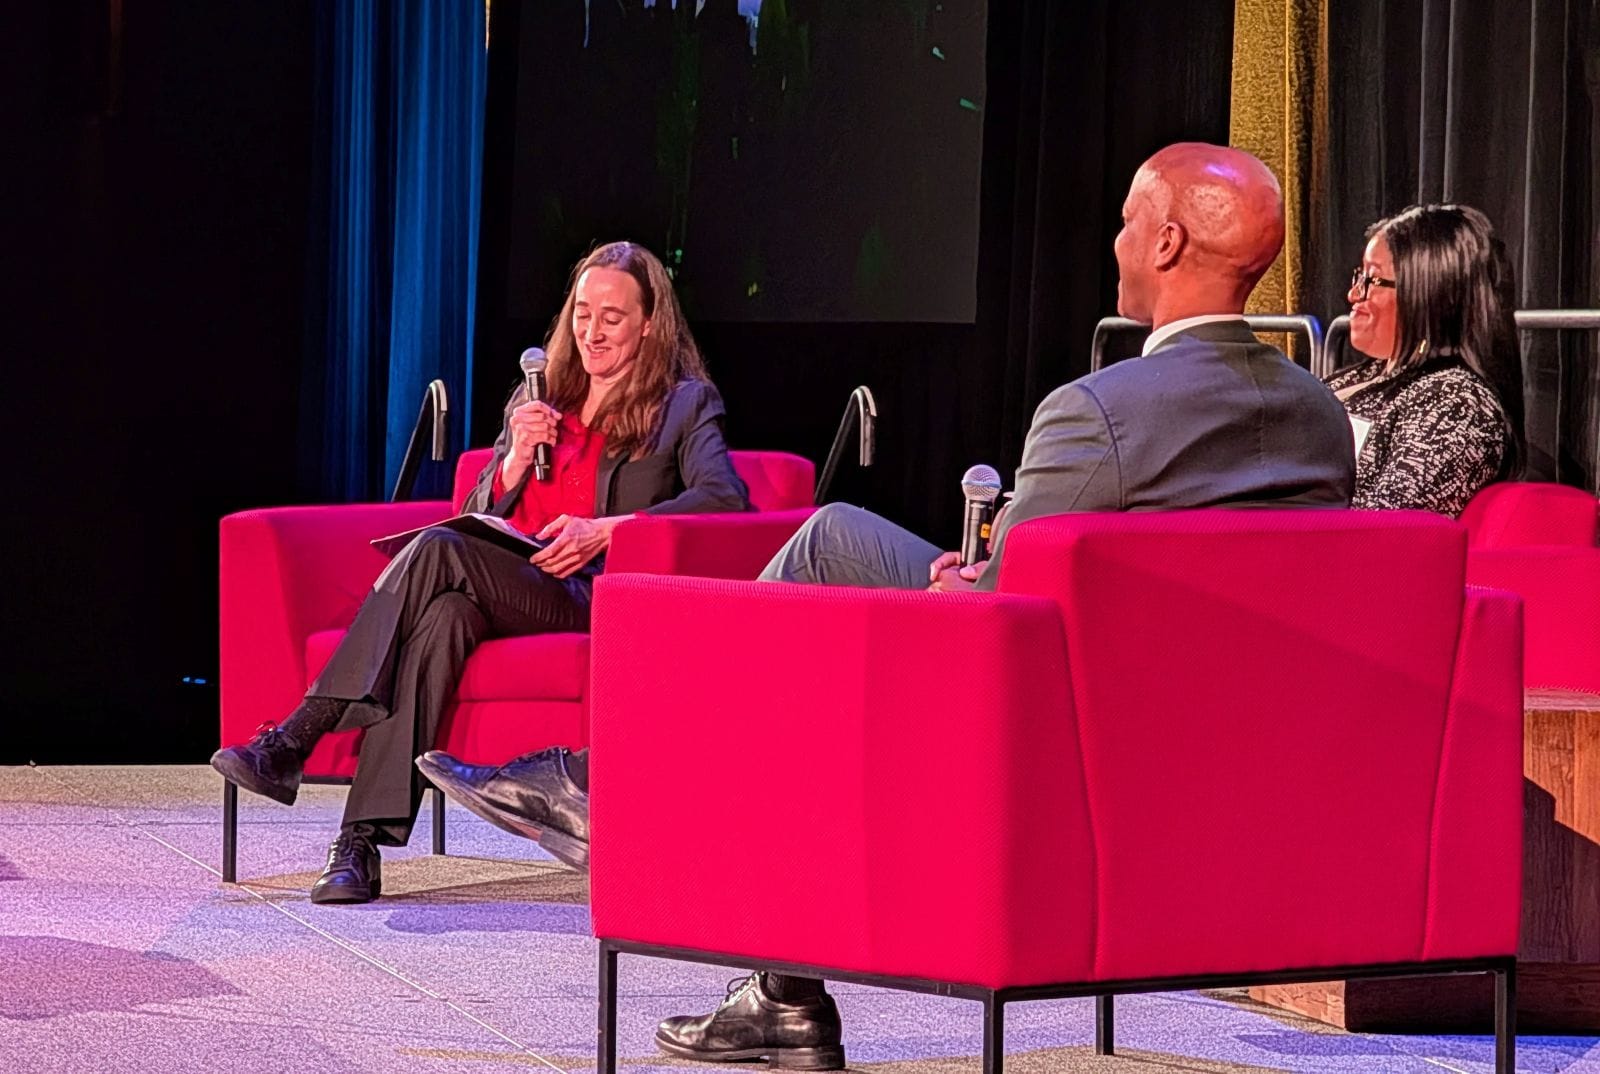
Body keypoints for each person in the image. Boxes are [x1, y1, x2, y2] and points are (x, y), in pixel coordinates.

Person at [421, 143, 1356, 1070]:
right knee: (833, 539)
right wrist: (981, 578)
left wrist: (972, 587)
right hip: (1206, 736)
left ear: (1164, 243)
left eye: (1123, 221)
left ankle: (619, 783)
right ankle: (764, 975)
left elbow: (1007, 607)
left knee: (806, 651)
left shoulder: (1098, 413)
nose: (1110, 241)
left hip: (1045, 731)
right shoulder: (1317, 416)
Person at [211, 241, 749, 904]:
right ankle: (360, 845)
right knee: (441, 618)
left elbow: (726, 499)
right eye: (583, 312)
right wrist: (518, 457)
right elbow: (474, 513)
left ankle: (299, 732)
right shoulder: (543, 393)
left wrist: (607, 531)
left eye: (613, 316)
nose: (593, 330)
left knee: (437, 550)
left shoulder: (683, 405)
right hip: (512, 579)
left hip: (595, 588)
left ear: (647, 323)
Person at [1325, 203, 1524, 516]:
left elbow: (1387, 526)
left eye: (1372, 280)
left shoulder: (1458, 404)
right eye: (1358, 275)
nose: (1353, 294)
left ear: (1429, 292)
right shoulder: (1351, 379)